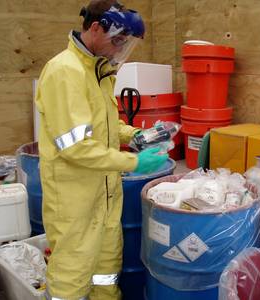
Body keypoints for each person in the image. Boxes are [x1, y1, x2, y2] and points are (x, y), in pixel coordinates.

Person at [35, 1, 168, 299]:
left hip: (105, 195)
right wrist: (134, 162)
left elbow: (105, 125)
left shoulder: (99, 71)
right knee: (72, 274)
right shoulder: (65, 71)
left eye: (125, 42)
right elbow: (76, 147)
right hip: (74, 199)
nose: (119, 48)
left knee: (106, 271)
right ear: (95, 28)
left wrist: (137, 135)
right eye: (117, 40)